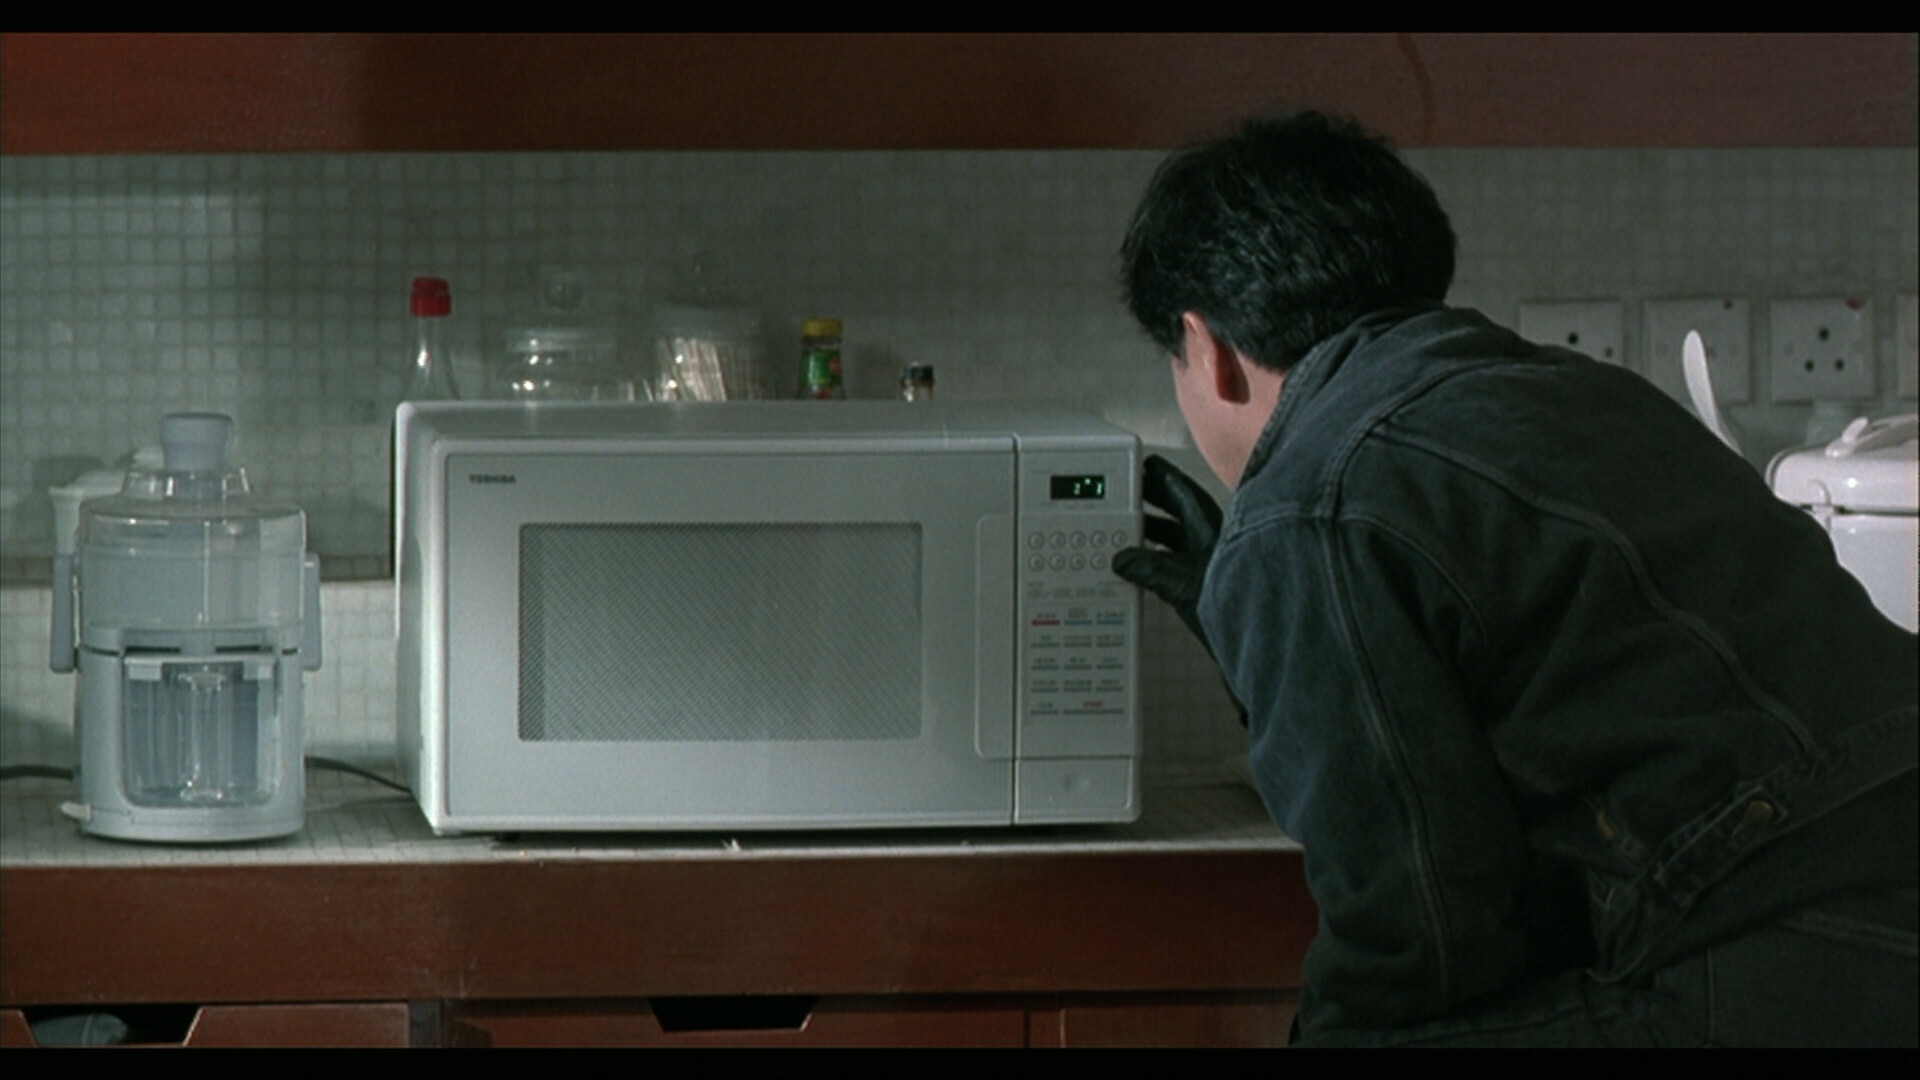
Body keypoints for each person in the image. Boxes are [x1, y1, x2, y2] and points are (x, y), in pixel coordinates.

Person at [1111, 111, 1918, 1047]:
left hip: (1786, 958)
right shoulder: (1588, 393)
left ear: (1205, 347)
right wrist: (1260, 643)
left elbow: (1415, 935)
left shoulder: (1308, 504)